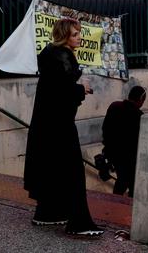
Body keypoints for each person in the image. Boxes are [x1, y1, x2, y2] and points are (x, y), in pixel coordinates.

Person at [23, 18, 104, 237]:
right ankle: (80, 223)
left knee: (50, 167)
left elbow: (55, 88)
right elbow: (61, 93)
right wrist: (82, 89)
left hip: (45, 124)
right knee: (72, 172)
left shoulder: (50, 55)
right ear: (64, 36)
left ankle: (47, 213)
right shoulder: (62, 57)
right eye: (75, 34)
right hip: (59, 125)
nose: (80, 38)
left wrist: (77, 87)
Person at [101, 85, 147, 197]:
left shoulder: (114, 106)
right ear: (141, 100)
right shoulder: (138, 116)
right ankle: (123, 207)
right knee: (127, 182)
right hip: (128, 158)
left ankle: (117, 204)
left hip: (112, 153)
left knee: (122, 180)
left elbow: (105, 128)